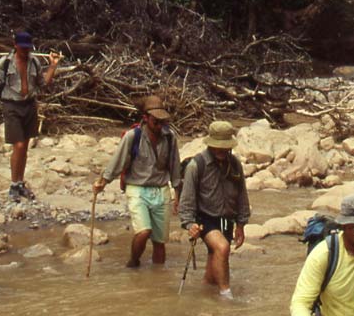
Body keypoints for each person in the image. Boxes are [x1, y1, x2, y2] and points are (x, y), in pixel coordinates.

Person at [93, 96, 181, 267]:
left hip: (161, 189)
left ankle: (158, 278)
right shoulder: (133, 136)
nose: (159, 125)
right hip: (137, 188)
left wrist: (178, 194)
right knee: (143, 231)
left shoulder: (170, 138)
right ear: (145, 118)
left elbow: (175, 167)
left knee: (159, 242)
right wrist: (102, 182)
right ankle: (133, 262)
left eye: (162, 122)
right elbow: (117, 161)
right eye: (155, 121)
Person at [0, 31, 61, 202]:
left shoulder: (34, 61)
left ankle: (20, 183)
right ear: (15, 45)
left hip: (30, 105)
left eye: (28, 48)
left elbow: (43, 84)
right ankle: (13, 184)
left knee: (24, 146)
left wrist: (53, 66)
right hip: (11, 105)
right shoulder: (5, 62)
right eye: (22, 48)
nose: (26, 51)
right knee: (17, 145)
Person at [179, 121, 250, 300]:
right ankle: (226, 294)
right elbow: (186, 201)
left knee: (212, 270)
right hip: (205, 218)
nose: (221, 151)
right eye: (218, 147)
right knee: (222, 247)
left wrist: (241, 224)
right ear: (210, 144)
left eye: (225, 148)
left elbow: (242, 194)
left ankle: (204, 300)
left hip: (227, 219)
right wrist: (190, 225)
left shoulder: (235, 165)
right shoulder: (196, 166)